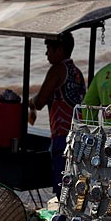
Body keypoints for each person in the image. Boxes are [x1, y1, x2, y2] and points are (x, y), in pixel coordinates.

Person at [28, 32, 86, 200]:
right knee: (75, 184)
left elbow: (39, 101)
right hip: (78, 134)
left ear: (59, 50)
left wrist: (31, 102)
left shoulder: (57, 69)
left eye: (48, 49)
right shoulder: (76, 72)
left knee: (63, 186)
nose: (46, 54)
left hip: (62, 136)